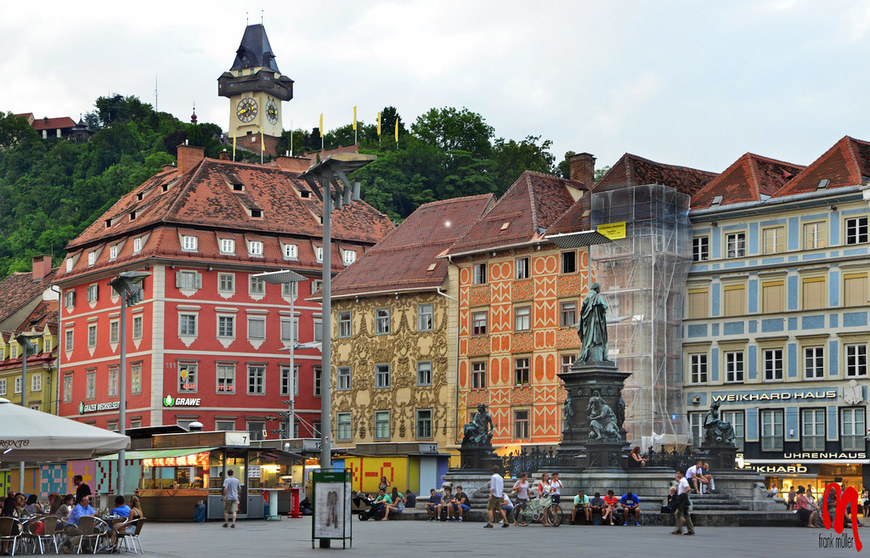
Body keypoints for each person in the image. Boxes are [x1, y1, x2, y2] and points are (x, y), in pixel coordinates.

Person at [672, 470, 694, 535]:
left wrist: (683, 495)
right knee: (678, 514)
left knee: (685, 514)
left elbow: (688, 488)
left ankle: (689, 529)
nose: (677, 475)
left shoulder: (683, 480)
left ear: (681, 474)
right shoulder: (681, 481)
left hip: (683, 499)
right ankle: (680, 529)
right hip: (681, 499)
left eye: (678, 473)